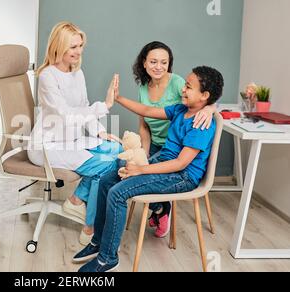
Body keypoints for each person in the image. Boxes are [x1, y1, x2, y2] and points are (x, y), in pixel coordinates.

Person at [74, 66, 224, 272]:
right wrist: (118, 98)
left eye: (189, 87)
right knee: (109, 178)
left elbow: (181, 163)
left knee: (118, 193)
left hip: (182, 176)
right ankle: (99, 241)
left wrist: (140, 170)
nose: (183, 89)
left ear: (204, 96)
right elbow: (146, 111)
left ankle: (108, 258)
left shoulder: (201, 124)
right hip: (164, 164)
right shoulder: (181, 110)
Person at [27, 22, 122, 245]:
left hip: (72, 139)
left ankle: (76, 200)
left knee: (118, 151)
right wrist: (106, 105)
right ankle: (91, 226)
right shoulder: (48, 77)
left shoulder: (77, 73)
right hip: (47, 146)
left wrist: (100, 132)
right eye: (72, 47)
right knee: (106, 166)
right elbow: (67, 115)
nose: (78, 51)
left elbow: (84, 105)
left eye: (80, 46)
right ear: (59, 47)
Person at [130, 41, 217, 236]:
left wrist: (211, 109)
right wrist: (144, 151)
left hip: (176, 149)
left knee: (143, 175)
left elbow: (202, 100)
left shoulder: (179, 84)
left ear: (170, 63)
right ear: (144, 63)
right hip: (155, 145)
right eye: (153, 61)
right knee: (131, 169)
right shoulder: (143, 87)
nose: (158, 67)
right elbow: (144, 122)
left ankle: (162, 209)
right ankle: (160, 208)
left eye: (164, 62)